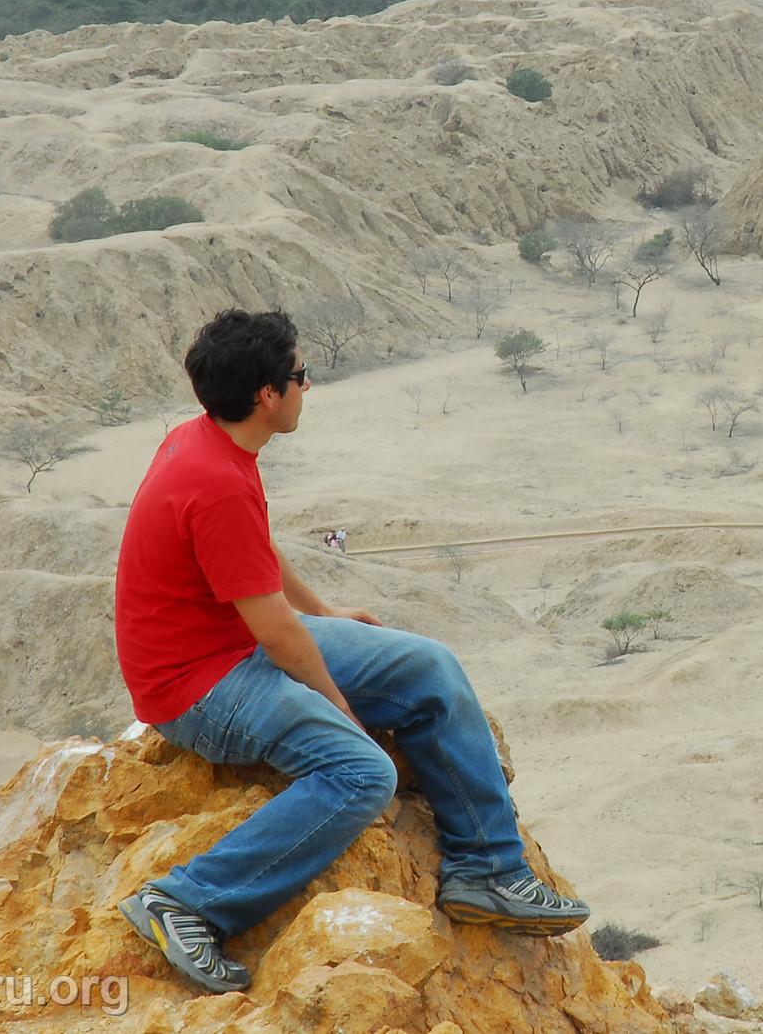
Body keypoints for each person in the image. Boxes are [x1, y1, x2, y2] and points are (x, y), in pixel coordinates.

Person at [113, 308, 588, 995]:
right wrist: (338, 706)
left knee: (427, 664)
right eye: (301, 376)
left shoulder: (208, 444)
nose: (309, 387)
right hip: (199, 688)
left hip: (231, 645)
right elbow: (275, 636)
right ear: (268, 395)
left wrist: (326, 613)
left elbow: (252, 554)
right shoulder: (214, 479)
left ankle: (487, 869)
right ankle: (186, 900)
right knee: (361, 771)